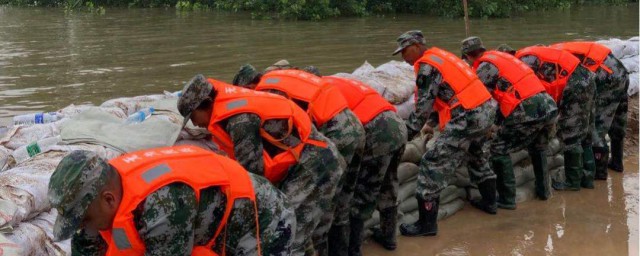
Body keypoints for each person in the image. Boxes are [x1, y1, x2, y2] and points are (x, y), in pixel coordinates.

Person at [177, 75, 343, 256]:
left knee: (287, 232)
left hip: (315, 165)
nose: (195, 123)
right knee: (298, 227)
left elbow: (253, 177)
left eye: (193, 116)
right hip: (303, 165)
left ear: (206, 103)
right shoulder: (231, 108)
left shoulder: (239, 120)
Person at [48, 146, 296, 256]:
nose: (83, 229)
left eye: (84, 221)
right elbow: (86, 248)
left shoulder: (162, 208)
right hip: (209, 220)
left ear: (109, 200)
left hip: (262, 218)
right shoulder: (100, 193)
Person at [233, 64, 365, 256]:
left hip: (335, 132)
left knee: (324, 208)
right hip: (353, 124)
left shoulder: (266, 91)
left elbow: (292, 128)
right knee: (343, 200)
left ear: (250, 85)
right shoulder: (279, 78)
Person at [392, 30, 498, 238]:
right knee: (476, 155)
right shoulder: (442, 56)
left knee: (431, 164)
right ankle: (490, 203)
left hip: (467, 116)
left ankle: (426, 225)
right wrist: (432, 121)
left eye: (405, 51)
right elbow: (444, 96)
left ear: (416, 45)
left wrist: (404, 136)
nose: (403, 57)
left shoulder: (427, 66)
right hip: (484, 110)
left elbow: (422, 108)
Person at [304, 67, 407, 255]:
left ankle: (354, 249)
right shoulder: (339, 80)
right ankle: (389, 237)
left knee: (360, 192)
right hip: (397, 124)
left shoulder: (321, 91)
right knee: (388, 183)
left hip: (376, 131)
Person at [461, 37, 558, 209]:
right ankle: (545, 191)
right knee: (539, 146)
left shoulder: (484, 66)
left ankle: (507, 198)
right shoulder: (502, 58)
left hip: (527, 109)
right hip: (548, 104)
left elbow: (481, 100)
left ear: (468, 55)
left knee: (498, 148)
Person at [514, 45, 597, 191]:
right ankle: (588, 178)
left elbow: (530, 88)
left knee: (571, 133)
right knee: (586, 131)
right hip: (585, 76)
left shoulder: (523, 60)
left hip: (575, 83)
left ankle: (573, 182)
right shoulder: (527, 54)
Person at [550, 41, 629, 179]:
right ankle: (617, 162)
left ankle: (599, 174)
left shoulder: (552, 58)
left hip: (605, 75)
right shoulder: (557, 49)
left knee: (596, 125)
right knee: (617, 120)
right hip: (620, 71)